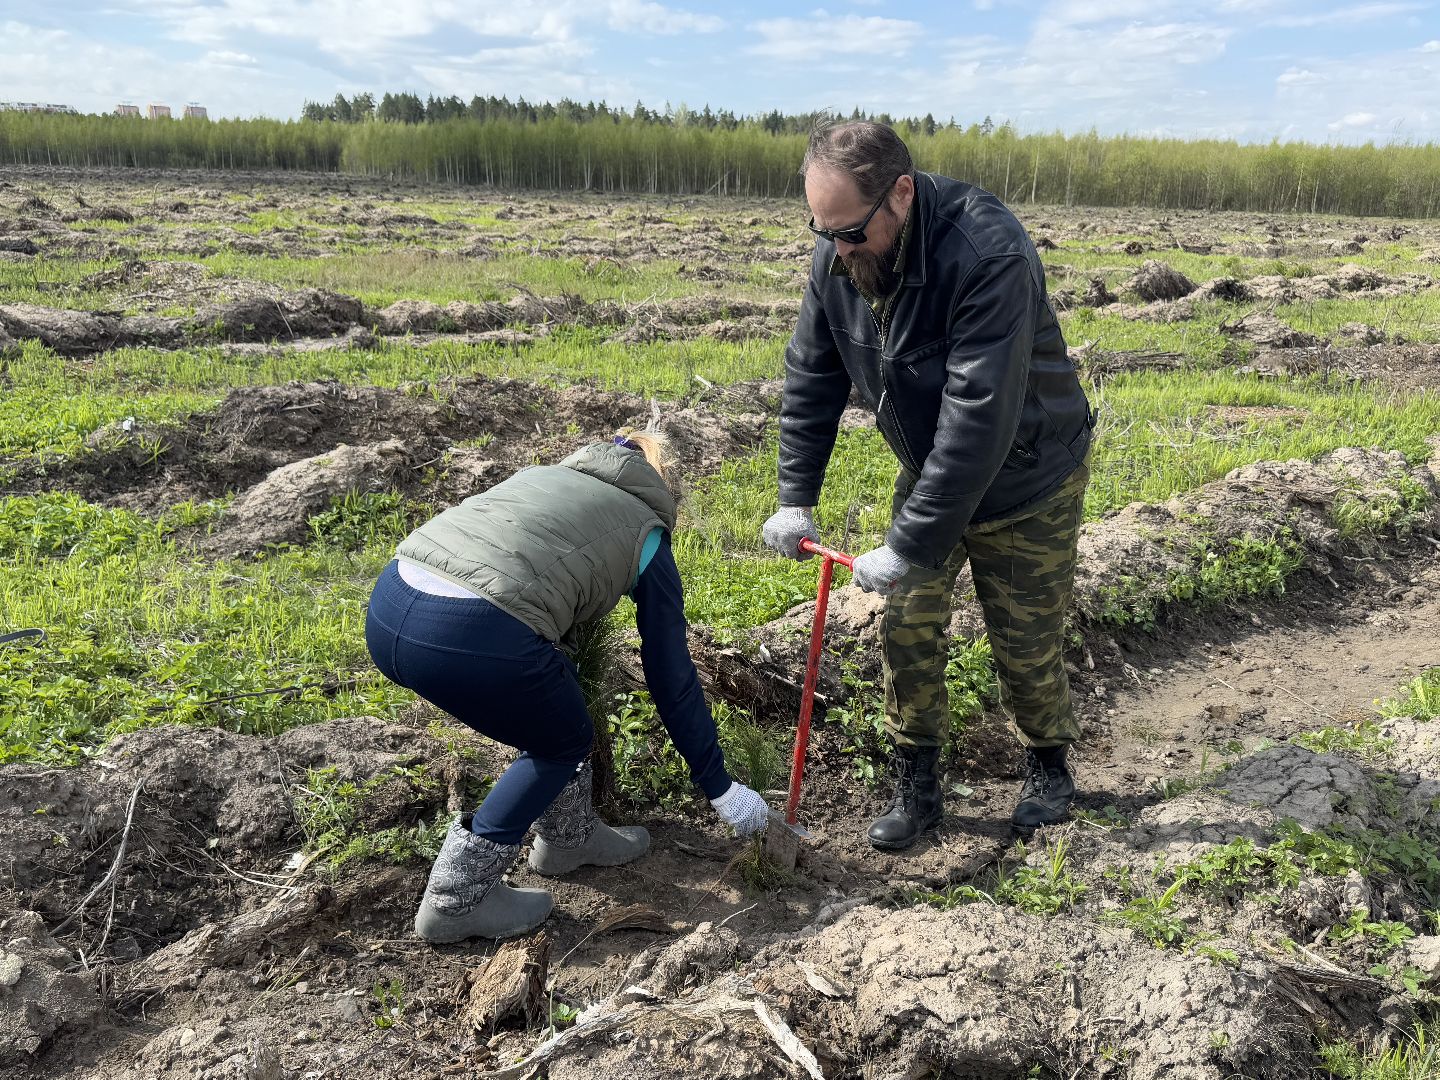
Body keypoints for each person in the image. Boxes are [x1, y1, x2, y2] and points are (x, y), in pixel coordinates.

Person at [762, 121, 1095, 849]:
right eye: (822, 233)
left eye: (849, 231)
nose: (837, 251)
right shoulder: (839, 256)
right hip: (932, 470)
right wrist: (797, 494)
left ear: (901, 195)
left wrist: (909, 538)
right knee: (906, 628)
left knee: (1024, 639)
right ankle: (916, 781)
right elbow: (812, 374)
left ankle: (1048, 766)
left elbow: (980, 417)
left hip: (1028, 473)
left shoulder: (986, 253)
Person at [366, 433, 771, 942]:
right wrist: (720, 786)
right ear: (661, 485)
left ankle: (569, 840)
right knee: (561, 741)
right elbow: (671, 674)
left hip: (389, 604)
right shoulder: (645, 531)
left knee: (553, 703)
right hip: (466, 631)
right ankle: (455, 900)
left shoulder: (544, 477)